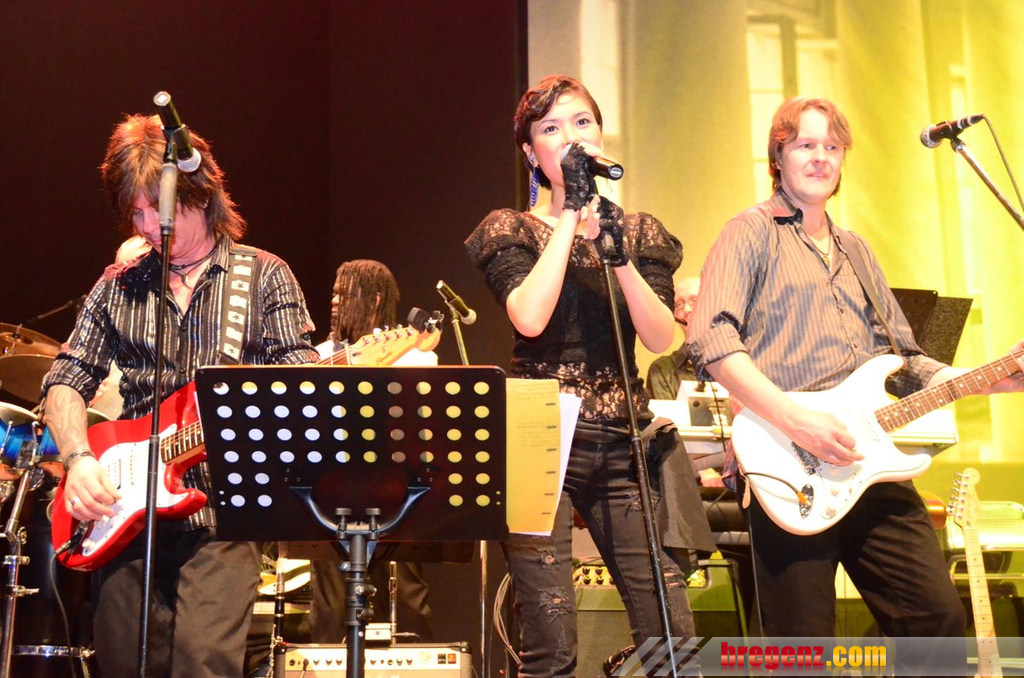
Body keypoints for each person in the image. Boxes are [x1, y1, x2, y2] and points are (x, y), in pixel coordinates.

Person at [685, 96, 1024, 651]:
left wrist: (990, 378)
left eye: (832, 147)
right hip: (787, 466)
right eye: (805, 145)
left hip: (870, 464)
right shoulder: (749, 231)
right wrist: (797, 421)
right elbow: (711, 339)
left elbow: (905, 362)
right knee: (801, 650)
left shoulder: (857, 251)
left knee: (936, 626)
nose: (820, 157)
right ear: (778, 156)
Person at [41, 114, 319, 678]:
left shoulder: (263, 276)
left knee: (202, 664)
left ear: (202, 196)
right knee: (124, 665)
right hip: (124, 515)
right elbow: (66, 378)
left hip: (224, 512)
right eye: (136, 213)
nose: (149, 226)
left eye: (158, 210)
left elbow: (300, 384)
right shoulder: (118, 285)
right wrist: (79, 458)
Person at [465, 75, 711, 677]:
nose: (570, 137)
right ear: (532, 153)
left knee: (672, 636)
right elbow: (529, 316)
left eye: (582, 123)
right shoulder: (511, 228)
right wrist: (571, 215)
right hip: (537, 436)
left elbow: (660, 337)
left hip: (621, 439)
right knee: (552, 644)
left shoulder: (639, 230)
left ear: (600, 137)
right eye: (551, 129)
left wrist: (617, 250)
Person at [309, 259, 435, 644]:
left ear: (375, 299)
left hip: (396, 495)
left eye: (344, 294)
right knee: (330, 604)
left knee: (406, 597)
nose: (334, 301)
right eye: (333, 293)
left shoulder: (412, 355)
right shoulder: (318, 355)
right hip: (329, 493)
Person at [646, 276, 700, 401]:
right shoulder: (662, 370)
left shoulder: (739, 357)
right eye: (679, 304)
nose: (687, 310)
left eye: (694, 300)